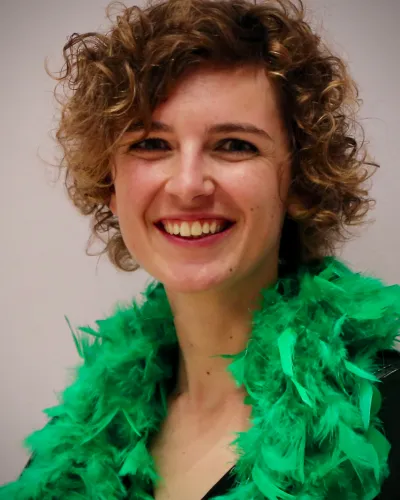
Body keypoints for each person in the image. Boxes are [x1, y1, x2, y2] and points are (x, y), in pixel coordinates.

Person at [1, 0, 399, 498]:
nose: (188, 185)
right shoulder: (72, 446)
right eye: (151, 144)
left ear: (299, 181)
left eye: (235, 145)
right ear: (111, 182)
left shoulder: (383, 417)